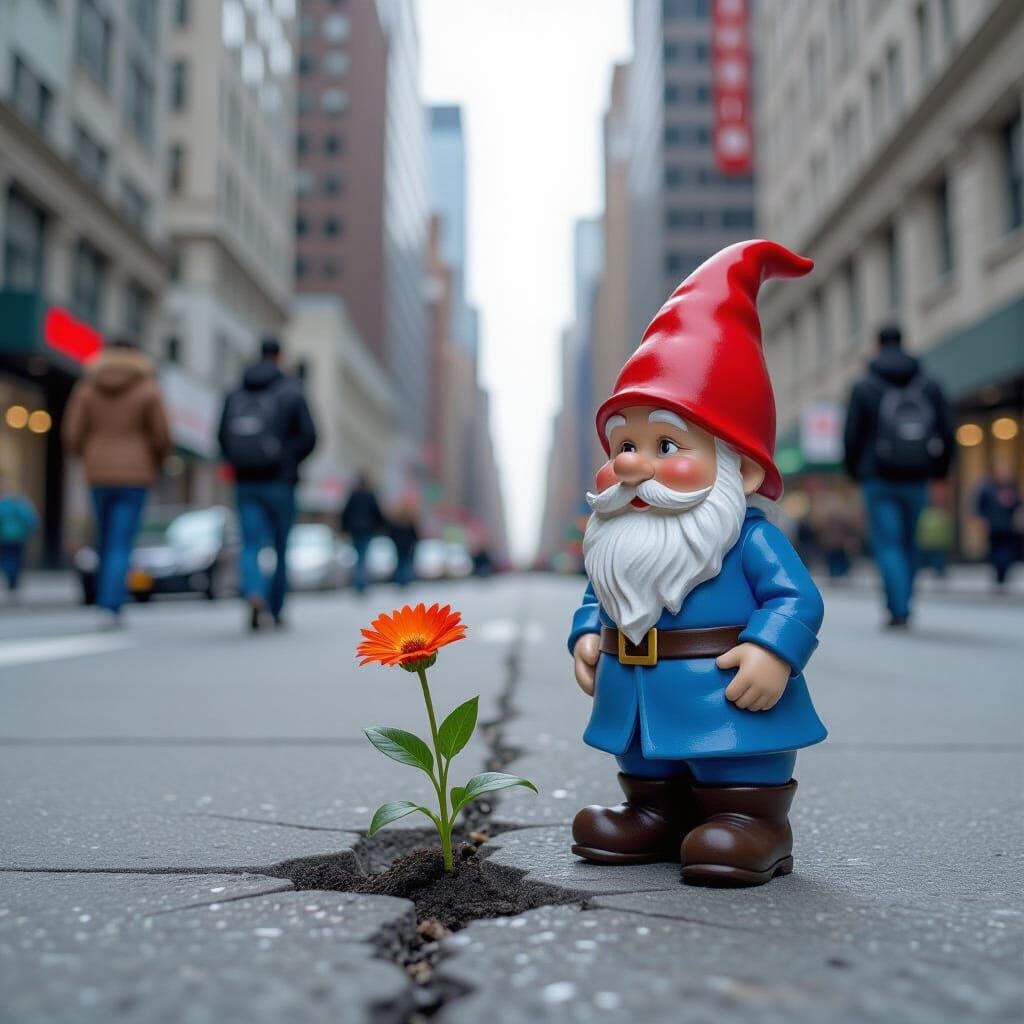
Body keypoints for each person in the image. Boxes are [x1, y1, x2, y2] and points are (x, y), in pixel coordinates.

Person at [570, 240, 826, 887]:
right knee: (647, 763)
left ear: (737, 468)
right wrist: (585, 634)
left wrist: (773, 650)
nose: (630, 464)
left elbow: (796, 599)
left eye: (664, 443)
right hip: (637, 693)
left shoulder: (748, 539)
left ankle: (752, 822)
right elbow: (602, 589)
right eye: (623, 442)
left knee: (736, 767)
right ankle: (655, 813)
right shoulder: (623, 537)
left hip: (727, 697)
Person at [842, 324, 954, 628]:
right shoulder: (928, 383)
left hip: (877, 479)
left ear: (877, 345)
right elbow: (947, 430)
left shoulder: (864, 385)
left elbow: (852, 435)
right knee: (909, 542)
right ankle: (906, 601)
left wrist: (854, 472)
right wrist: (940, 472)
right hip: (917, 477)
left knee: (888, 543)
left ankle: (898, 608)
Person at [62, 335, 171, 626]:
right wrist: (153, 461)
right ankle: (112, 605)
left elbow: (71, 432)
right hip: (136, 474)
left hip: (99, 472)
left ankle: (103, 601)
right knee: (121, 542)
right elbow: (162, 435)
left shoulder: (87, 386)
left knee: (104, 537)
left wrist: (89, 456)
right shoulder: (147, 387)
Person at [218, 337, 317, 630]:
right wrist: (288, 459)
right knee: (280, 547)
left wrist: (239, 464)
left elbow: (221, 436)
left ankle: (253, 592)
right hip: (281, 483)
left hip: (246, 482)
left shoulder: (236, 392)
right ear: (280, 357)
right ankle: (276, 609)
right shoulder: (291, 391)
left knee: (249, 544)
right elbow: (310, 437)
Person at [975, 458, 1022, 588]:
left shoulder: (1012, 485)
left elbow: (1018, 504)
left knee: (1008, 551)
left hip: (1008, 526)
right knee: (995, 552)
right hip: (994, 525)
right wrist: (981, 520)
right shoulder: (987, 487)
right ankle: (998, 574)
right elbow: (980, 506)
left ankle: (1003, 574)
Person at [340, 472, 385, 593]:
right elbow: (377, 512)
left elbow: (346, 512)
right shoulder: (370, 495)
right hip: (367, 529)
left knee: (359, 556)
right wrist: (380, 526)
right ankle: (362, 583)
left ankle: (359, 583)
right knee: (363, 556)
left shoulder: (353, 495)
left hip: (355, 529)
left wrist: (344, 528)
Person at [0, 476, 39, 599]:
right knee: (16, 559)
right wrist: (30, 530)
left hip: (5, 536)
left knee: (8, 558)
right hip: (17, 536)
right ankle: (13, 582)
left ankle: (10, 579)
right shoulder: (20, 502)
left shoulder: (3, 503)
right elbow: (30, 518)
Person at [916, 482, 954, 580]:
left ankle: (939, 571)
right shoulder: (925, 510)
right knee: (931, 557)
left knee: (938, 557)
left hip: (938, 541)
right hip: (929, 540)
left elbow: (947, 529)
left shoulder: (942, 512)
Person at [388, 504, 419, 586]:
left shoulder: (396, 523)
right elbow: (414, 535)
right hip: (407, 546)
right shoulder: (409, 522)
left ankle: (399, 580)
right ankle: (406, 580)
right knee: (406, 563)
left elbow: (391, 534)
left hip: (399, 546)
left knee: (400, 563)